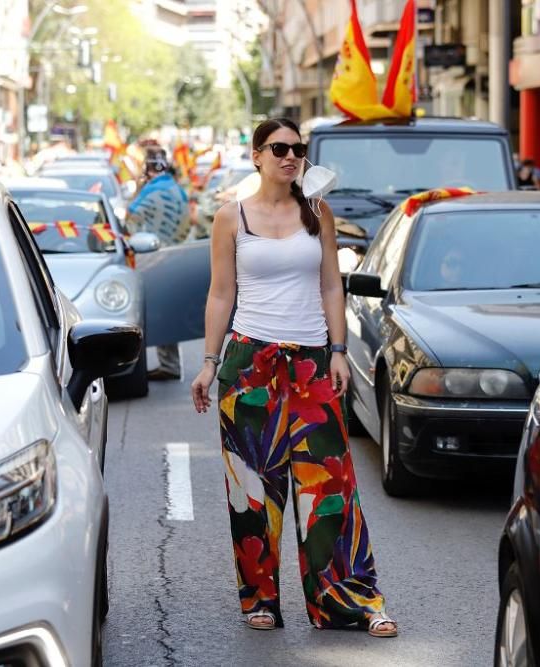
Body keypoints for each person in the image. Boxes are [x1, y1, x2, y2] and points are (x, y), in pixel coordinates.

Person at [190, 118, 397, 638]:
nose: (291, 157)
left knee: (330, 483)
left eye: (298, 149)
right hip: (249, 364)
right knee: (254, 489)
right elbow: (220, 294)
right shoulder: (230, 218)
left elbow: (332, 285)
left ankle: (347, 602)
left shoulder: (317, 214)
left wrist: (339, 350)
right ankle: (260, 600)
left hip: (309, 363)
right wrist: (209, 363)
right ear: (257, 155)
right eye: (279, 148)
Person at [126, 146, 192, 381]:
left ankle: (151, 365)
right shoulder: (176, 189)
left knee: (149, 313)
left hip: (151, 256)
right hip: (175, 254)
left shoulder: (152, 191)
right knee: (167, 311)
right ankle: (170, 363)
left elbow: (129, 218)